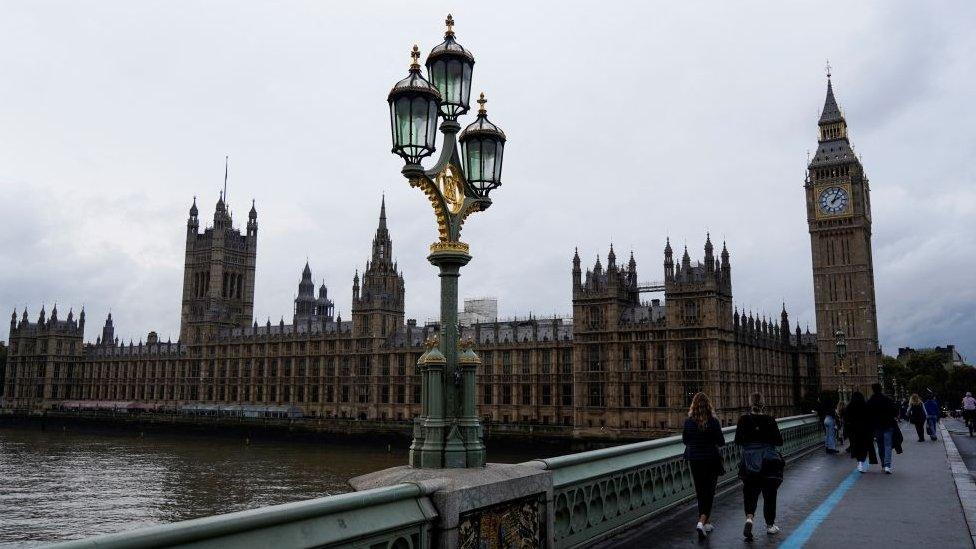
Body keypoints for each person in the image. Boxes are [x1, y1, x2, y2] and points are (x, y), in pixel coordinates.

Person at [735, 392, 784, 540]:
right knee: (769, 494)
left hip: (750, 462)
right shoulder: (770, 420)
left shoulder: (743, 419)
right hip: (768, 461)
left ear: (750, 403)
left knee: (750, 492)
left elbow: (738, 440)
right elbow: (779, 441)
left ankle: (749, 518)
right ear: (763, 404)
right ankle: (770, 525)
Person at [682, 392, 726, 540]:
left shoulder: (688, 422)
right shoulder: (713, 421)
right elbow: (721, 442)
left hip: (695, 460)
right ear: (709, 406)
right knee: (709, 491)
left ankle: (706, 522)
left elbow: (685, 440)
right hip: (711, 459)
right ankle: (701, 522)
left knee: (700, 491)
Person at [866, 383, 899, 474]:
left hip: (877, 427)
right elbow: (895, 411)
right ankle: (888, 466)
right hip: (888, 425)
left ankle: (883, 465)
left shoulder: (871, 401)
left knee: (880, 446)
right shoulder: (887, 399)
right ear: (881, 389)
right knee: (888, 446)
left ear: (873, 390)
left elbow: (867, 414)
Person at [844, 391, 878, 472]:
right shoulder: (865, 406)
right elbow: (870, 419)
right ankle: (861, 462)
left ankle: (859, 462)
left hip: (854, 431)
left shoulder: (849, 407)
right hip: (864, 431)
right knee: (864, 448)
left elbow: (846, 420)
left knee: (857, 447)